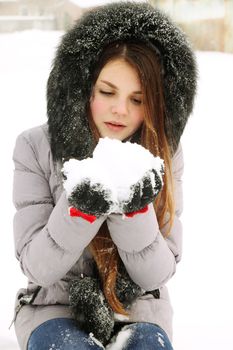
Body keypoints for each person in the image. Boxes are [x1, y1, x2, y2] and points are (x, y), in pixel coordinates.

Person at [12, 2, 197, 349]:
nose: (120, 109)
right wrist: (80, 209)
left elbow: (157, 273)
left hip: (139, 309)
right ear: (84, 88)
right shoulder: (36, 146)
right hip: (54, 309)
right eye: (108, 92)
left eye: (137, 99)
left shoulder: (163, 153)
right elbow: (37, 267)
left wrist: (133, 209)